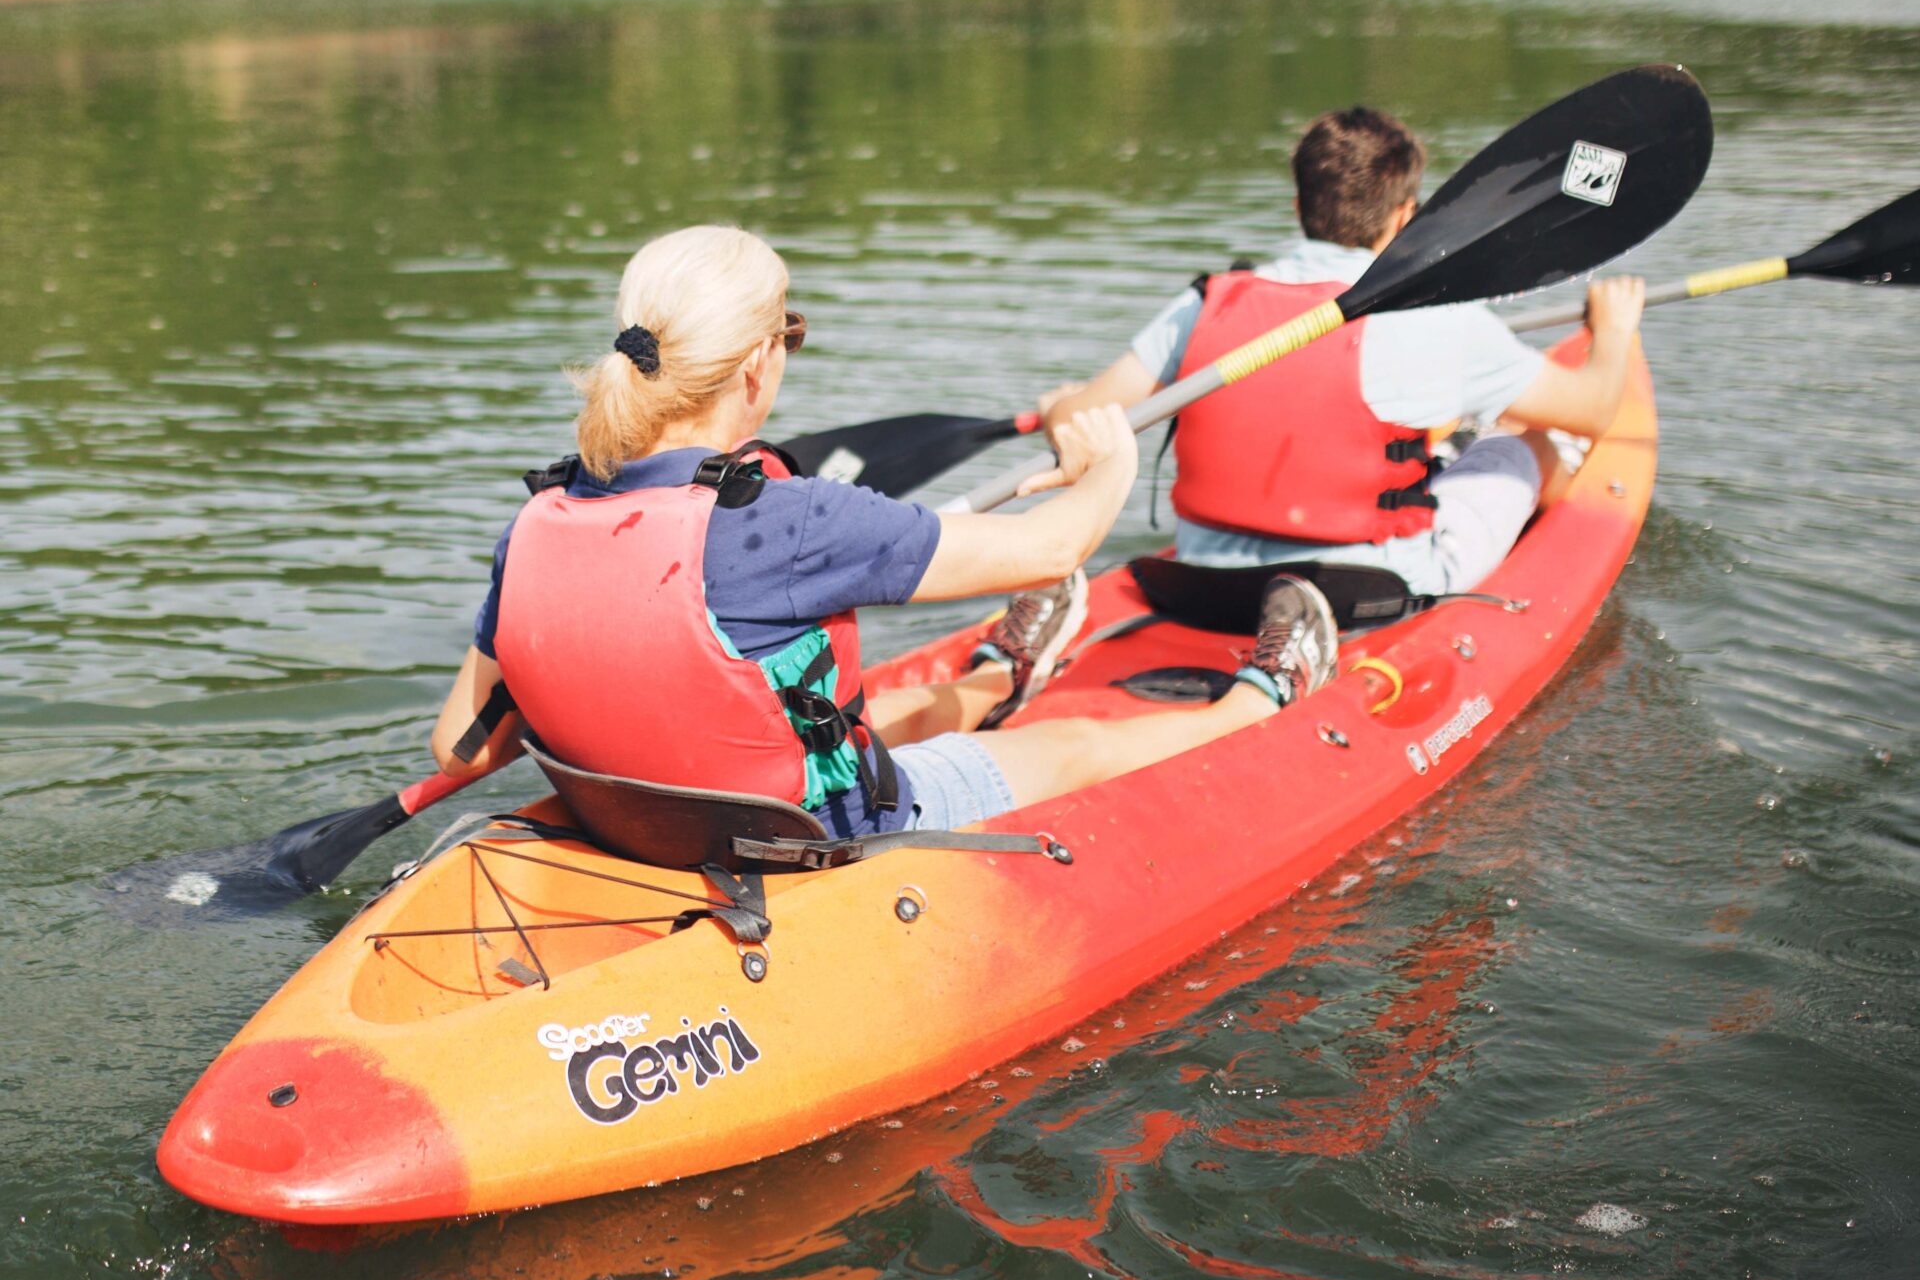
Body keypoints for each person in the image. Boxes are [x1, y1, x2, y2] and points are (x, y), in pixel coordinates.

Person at [429, 224, 1340, 836]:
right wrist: (1113, 464)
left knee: (871, 721)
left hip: (651, 823)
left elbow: (459, 746)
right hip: (814, 837)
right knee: (1075, 745)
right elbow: (1054, 548)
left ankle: (998, 675)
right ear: (756, 364)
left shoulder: (541, 518)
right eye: (791, 332)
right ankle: (1259, 695)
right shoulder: (794, 519)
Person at [1039, 106, 1647, 603]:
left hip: (1203, 581)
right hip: (1366, 590)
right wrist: (1615, 330)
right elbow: (1593, 409)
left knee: (1443, 434)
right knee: (1528, 444)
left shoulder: (1206, 304)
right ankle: (1545, 554)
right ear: (1407, 216)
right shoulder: (1438, 317)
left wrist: (1059, 406)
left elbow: (1073, 423)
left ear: (1300, 207)